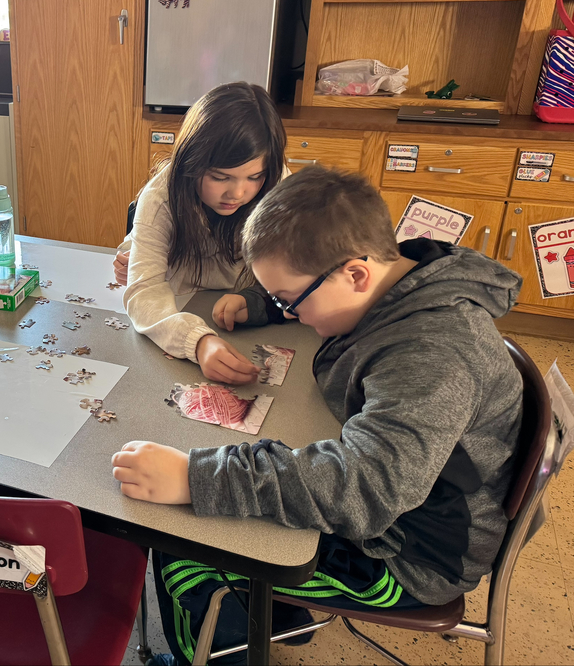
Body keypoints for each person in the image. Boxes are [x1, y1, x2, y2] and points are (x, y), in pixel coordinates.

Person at [111, 167, 523, 664]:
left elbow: (368, 488)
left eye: (290, 300)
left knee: (185, 548)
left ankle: (218, 643)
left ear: (355, 274)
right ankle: (273, 617)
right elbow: (315, 288)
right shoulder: (403, 276)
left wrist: (196, 477)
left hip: (406, 556)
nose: (290, 312)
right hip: (400, 504)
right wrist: (259, 305)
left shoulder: (433, 354)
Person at [114, 83, 289, 384]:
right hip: (180, 307)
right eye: (220, 177)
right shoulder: (160, 196)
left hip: (249, 316)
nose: (237, 192)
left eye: (254, 177)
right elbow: (145, 293)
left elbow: (295, 272)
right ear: (191, 162)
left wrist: (255, 300)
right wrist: (196, 342)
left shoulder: (278, 186)